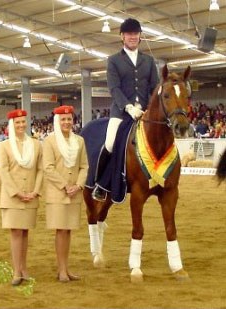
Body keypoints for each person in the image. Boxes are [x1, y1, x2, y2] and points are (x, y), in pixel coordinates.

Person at [92, 18, 159, 201]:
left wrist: (151, 109)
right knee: (110, 142)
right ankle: (101, 184)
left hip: (145, 113)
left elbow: (155, 88)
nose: (132, 37)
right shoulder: (113, 61)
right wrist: (129, 108)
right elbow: (114, 88)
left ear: (139, 36)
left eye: (135, 34)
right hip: (121, 112)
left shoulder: (149, 60)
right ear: (122, 36)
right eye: (129, 34)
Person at [42, 105, 88, 282]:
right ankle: (61, 270)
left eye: (69, 119)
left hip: (74, 193)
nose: (67, 122)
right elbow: (48, 167)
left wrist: (78, 185)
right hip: (58, 194)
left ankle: (66, 268)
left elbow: (84, 166)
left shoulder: (80, 141)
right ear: (57, 121)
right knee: (60, 231)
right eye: (63, 119)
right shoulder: (50, 141)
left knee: (68, 231)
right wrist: (65, 186)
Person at [0, 109, 43, 286]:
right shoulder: (4, 146)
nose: (21, 125)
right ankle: (17, 270)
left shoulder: (36, 144)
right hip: (12, 197)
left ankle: (24, 268)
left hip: (31, 195)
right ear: (12, 125)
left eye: (23, 122)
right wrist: (16, 192)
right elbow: (4, 171)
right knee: (16, 232)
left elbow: (40, 170)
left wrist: (36, 190)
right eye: (17, 123)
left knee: (25, 232)